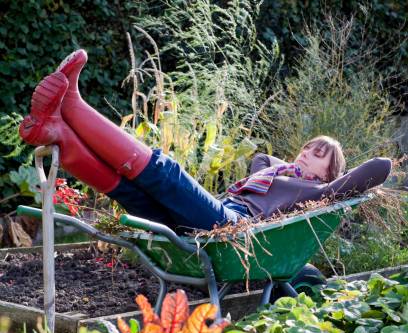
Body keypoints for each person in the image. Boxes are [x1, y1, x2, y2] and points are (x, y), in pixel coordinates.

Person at [19, 49, 392, 232]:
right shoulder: (277, 174)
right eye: (310, 146)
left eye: (319, 156)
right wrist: (292, 166)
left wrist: (324, 180)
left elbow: (378, 168)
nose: (308, 153)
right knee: (134, 193)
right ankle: (58, 133)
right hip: (219, 210)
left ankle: (73, 105)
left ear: (327, 176)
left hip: (233, 223)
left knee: (168, 173)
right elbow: (261, 159)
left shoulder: (315, 194)